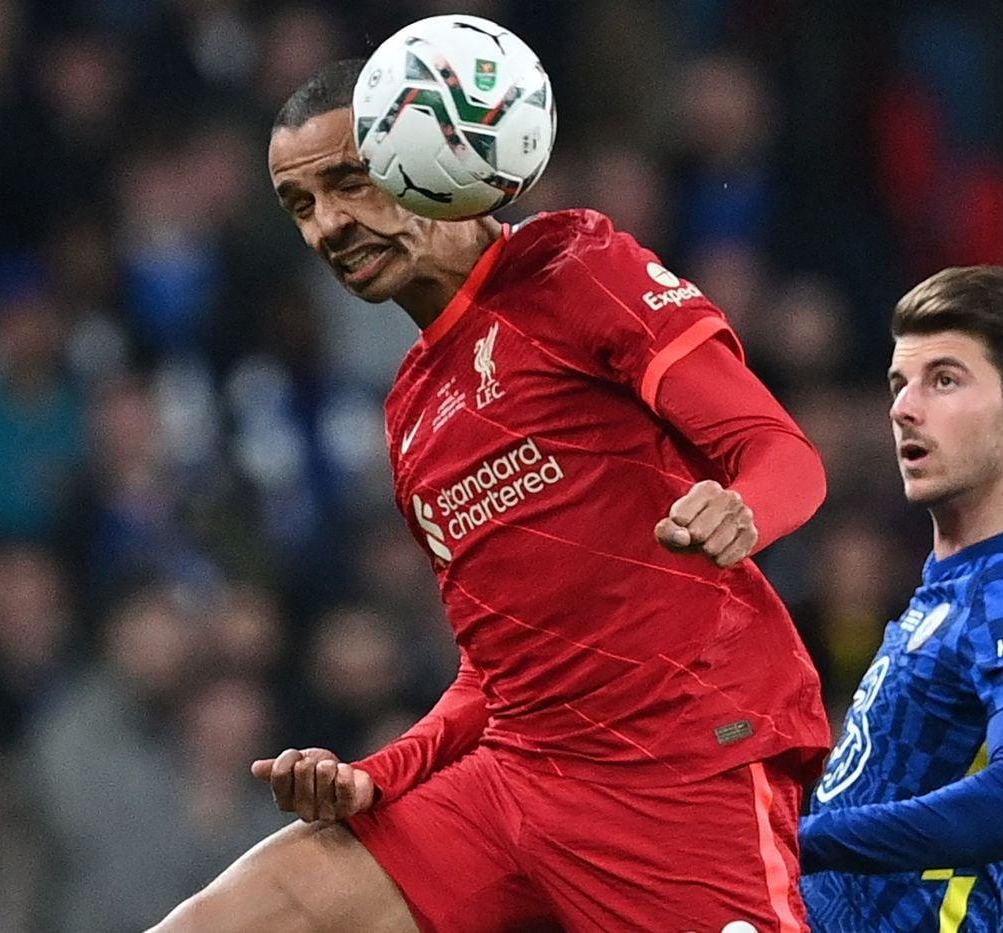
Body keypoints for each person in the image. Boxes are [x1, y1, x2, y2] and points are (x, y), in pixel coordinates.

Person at [153, 58, 829, 932]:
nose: (328, 225)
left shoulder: (574, 266)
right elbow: (498, 669)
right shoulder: (409, 414)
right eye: (301, 205)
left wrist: (745, 508)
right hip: (517, 779)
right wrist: (385, 773)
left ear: (429, 156)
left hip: (679, 763)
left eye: (348, 182)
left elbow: (780, 452)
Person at [799, 267, 1003, 932]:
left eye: (944, 379)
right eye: (899, 383)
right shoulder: (958, 583)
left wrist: (804, 838)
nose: (903, 408)